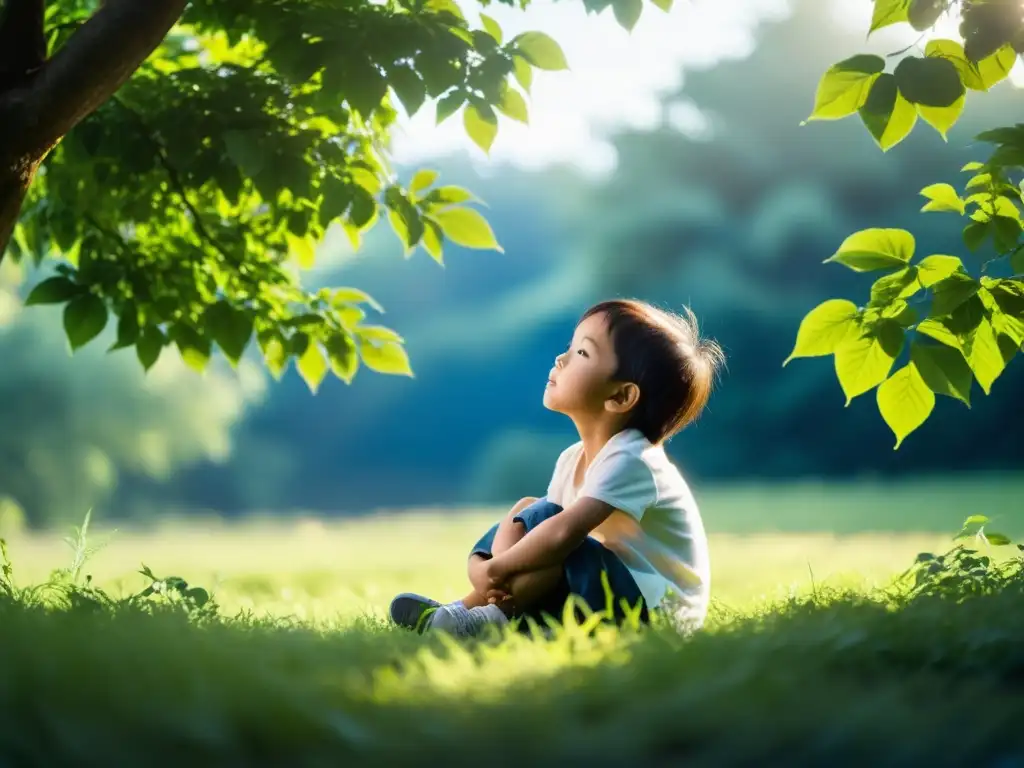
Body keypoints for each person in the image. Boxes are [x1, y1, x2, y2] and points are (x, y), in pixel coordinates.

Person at [389, 298, 725, 638]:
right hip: (609, 593)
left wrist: (498, 567)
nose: (561, 359)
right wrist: (488, 569)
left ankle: (489, 618)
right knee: (529, 510)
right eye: (570, 346)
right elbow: (535, 526)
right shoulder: (573, 458)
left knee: (550, 526)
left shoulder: (633, 459)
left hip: (655, 615)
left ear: (622, 396)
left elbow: (562, 533)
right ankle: (466, 611)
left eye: (582, 353)